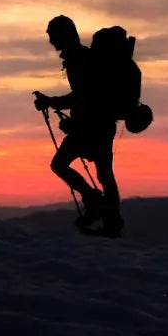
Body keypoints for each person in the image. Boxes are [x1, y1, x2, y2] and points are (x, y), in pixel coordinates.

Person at [33, 15, 123, 237]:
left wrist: (52, 102)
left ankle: (96, 204)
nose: (51, 42)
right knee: (104, 173)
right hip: (100, 124)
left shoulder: (79, 59)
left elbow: (83, 95)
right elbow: (87, 95)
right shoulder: (83, 57)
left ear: (64, 35)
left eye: (53, 36)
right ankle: (110, 220)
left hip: (91, 126)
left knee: (61, 165)